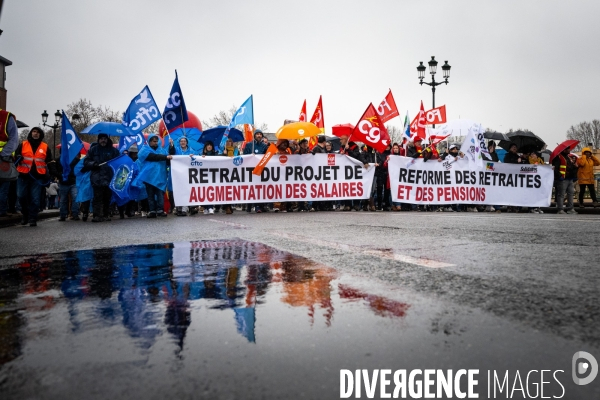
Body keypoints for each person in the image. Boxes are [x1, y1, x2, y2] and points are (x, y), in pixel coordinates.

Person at [15, 127, 55, 226]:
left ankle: (32, 218)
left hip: (37, 177)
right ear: (31, 133)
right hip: (23, 175)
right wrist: (17, 157)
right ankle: (25, 214)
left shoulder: (45, 146)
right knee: (21, 196)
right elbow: (15, 155)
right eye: (34, 132)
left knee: (35, 199)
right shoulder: (23, 144)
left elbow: (49, 160)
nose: (35, 134)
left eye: (37, 132)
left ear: (40, 134)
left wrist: (53, 172)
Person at [84, 133, 120, 222]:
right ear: (98, 140)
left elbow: (119, 162)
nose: (103, 140)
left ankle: (105, 214)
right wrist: (94, 164)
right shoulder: (93, 150)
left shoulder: (113, 151)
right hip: (97, 178)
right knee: (97, 197)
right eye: (101, 139)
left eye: (105, 138)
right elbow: (86, 161)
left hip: (109, 177)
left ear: (107, 140)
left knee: (107, 197)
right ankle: (97, 215)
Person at [136, 134, 172, 218]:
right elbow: (152, 157)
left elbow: (168, 161)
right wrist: (165, 157)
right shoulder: (144, 150)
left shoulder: (162, 151)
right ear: (149, 141)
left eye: (156, 141)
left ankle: (160, 210)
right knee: (150, 195)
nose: (155, 142)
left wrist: (171, 155)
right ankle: (152, 210)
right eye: (153, 141)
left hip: (160, 177)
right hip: (149, 177)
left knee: (160, 195)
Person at [243, 129, 268, 213]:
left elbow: (267, 156)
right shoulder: (249, 145)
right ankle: (249, 205)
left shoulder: (264, 146)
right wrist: (250, 156)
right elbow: (244, 155)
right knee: (251, 187)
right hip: (250, 169)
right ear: (254, 135)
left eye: (260, 134)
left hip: (260, 169)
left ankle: (258, 206)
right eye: (257, 134)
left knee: (258, 188)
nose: (259, 136)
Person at [0, 109, 19, 218]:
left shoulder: (6, 116)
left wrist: (3, 154)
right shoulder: (6, 117)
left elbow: (13, 140)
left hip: (3, 159)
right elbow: (14, 140)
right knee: (4, 187)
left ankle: (2, 210)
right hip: (4, 157)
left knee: (4, 186)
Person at [169, 137, 195, 216]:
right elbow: (171, 153)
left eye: (184, 141)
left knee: (185, 190)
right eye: (181, 141)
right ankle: (178, 208)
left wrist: (192, 157)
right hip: (177, 174)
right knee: (177, 190)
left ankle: (185, 208)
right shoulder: (176, 149)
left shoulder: (191, 151)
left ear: (187, 142)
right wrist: (171, 145)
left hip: (187, 174)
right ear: (179, 142)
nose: (183, 142)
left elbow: (196, 160)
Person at [339, 134, 365, 211]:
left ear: (346, 140)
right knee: (346, 187)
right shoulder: (341, 148)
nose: (340, 141)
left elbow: (356, 156)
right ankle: (348, 204)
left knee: (355, 187)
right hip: (345, 171)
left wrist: (348, 150)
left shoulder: (355, 147)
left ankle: (356, 204)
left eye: (341, 139)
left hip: (354, 170)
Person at [53, 150, 81, 220]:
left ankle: (73, 214)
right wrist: (60, 176)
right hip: (65, 182)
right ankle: (64, 214)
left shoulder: (75, 160)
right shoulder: (58, 160)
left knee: (72, 198)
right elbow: (55, 171)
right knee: (64, 199)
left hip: (71, 182)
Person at [552, 146, 578, 214]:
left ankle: (570, 208)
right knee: (561, 194)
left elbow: (570, 168)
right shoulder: (558, 158)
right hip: (563, 179)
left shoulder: (568, 157)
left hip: (569, 178)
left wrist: (575, 167)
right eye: (568, 149)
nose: (569, 150)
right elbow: (556, 169)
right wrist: (560, 176)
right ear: (564, 150)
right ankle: (560, 209)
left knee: (571, 194)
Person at [201, 141, 218, 215]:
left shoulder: (216, 155)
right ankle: (205, 207)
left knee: (211, 191)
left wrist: (224, 153)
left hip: (213, 175)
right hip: (204, 176)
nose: (209, 146)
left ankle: (210, 207)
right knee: (204, 191)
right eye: (207, 145)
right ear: (205, 147)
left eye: (210, 145)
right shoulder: (201, 155)